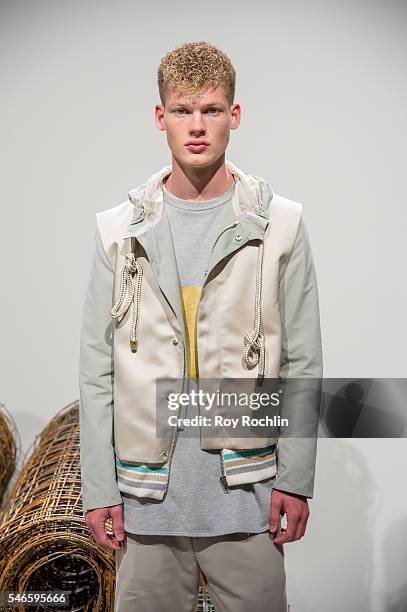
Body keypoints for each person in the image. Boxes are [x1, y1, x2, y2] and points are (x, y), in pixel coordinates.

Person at [79, 40, 323, 612]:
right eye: (183, 110)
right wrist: (98, 487)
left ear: (233, 118)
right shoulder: (118, 231)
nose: (197, 126)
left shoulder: (280, 225)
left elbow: (303, 362)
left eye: (211, 110)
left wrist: (296, 478)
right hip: (144, 498)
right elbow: (98, 368)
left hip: (247, 493)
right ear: (159, 117)